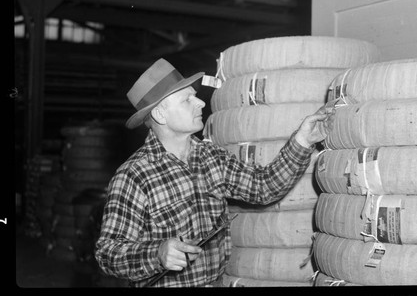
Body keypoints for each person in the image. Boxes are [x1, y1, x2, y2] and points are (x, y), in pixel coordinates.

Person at [94, 58, 330, 287]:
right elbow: (107, 253)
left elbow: (263, 187)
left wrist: (302, 141)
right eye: (187, 100)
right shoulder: (134, 176)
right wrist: (156, 254)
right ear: (159, 114)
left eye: (195, 96)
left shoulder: (211, 157)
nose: (201, 103)